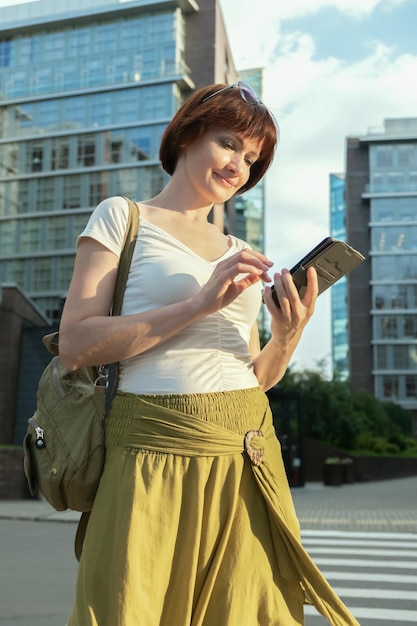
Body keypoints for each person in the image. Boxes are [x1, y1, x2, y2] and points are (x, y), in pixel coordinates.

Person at [60, 82, 359, 626]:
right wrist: (199, 303)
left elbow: (256, 376)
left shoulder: (243, 253)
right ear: (189, 135)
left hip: (248, 454)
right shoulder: (123, 217)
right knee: (131, 608)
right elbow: (77, 343)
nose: (238, 166)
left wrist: (288, 333)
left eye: (251, 159)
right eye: (229, 144)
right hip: (152, 451)